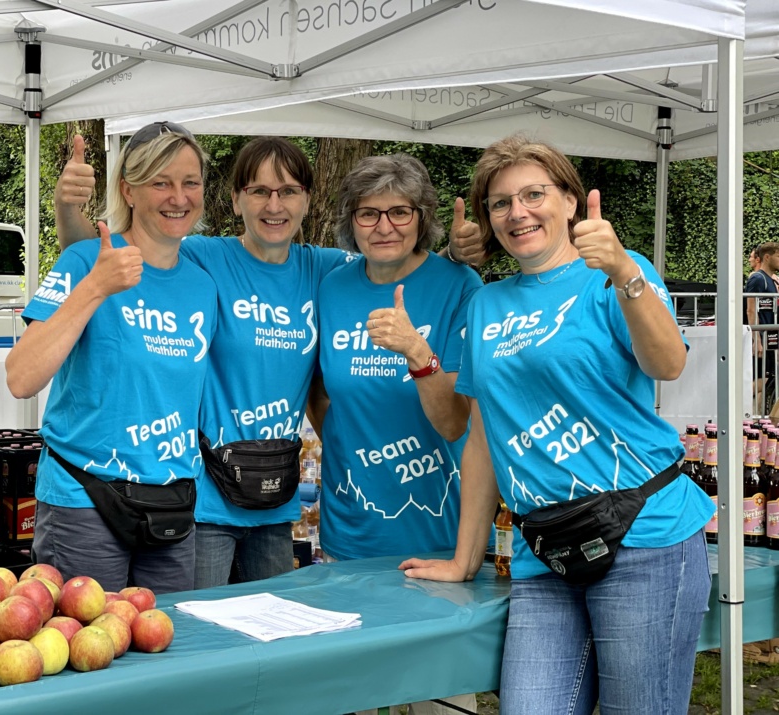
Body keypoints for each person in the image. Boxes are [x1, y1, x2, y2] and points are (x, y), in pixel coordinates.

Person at [55, 136, 485, 590]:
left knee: (274, 638)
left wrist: (457, 255)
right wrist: (67, 209)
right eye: (259, 191)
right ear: (237, 199)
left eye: (288, 191)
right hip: (206, 498)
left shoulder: (325, 270)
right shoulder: (204, 256)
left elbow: (401, 264)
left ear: (307, 201)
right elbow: (99, 256)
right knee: (201, 634)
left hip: (274, 500)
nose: (273, 204)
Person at [402, 135, 713, 714]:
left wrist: (623, 270)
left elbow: (667, 363)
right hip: (543, 550)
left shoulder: (616, 275)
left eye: (533, 194)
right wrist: (464, 558)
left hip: (642, 537)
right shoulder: (486, 304)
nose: (518, 212)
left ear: (570, 201)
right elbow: (483, 440)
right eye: (500, 203)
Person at [6, 123, 218, 594]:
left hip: (173, 501)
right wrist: (96, 287)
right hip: (85, 500)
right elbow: (21, 377)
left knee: (167, 653)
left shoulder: (203, 284)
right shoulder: (86, 261)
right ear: (129, 189)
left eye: (190, 182)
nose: (177, 197)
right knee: (90, 657)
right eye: (160, 182)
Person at [308, 154, 483, 715]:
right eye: (368, 213)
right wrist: (348, 447)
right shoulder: (333, 287)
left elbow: (456, 421)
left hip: (438, 534)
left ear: (423, 216)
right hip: (350, 533)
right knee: (352, 691)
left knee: (442, 696)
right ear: (349, 220)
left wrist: (417, 352)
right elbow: (319, 391)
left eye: (399, 212)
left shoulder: (459, 284)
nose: (384, 226)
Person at [747, 242, 779, 415]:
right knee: (762, 379)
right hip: (763, 340)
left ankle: (759, 419)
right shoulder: (757, 279)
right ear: (767, 257)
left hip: (772, 339)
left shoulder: (771, 280)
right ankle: (734, 406)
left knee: (767, 380)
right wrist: (756, 339)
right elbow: (751, 308)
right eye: (778, 256)